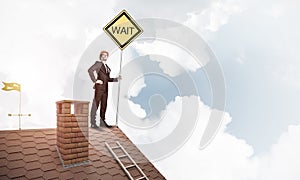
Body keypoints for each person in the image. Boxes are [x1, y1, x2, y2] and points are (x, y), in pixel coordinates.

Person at [88, 50, 121, 128]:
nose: (104, 56)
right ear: (100, 57)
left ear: (107, 57)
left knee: (104, 105)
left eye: (106, 55)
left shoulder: (107, 67)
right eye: (103, 55)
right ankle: (93, 123)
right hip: (99, 88)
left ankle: (102, 122)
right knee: (96, 105)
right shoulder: (98, 64)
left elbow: (107, 79)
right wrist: (95, 80)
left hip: (106, 89)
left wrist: (116, 79)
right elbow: (90, 70)